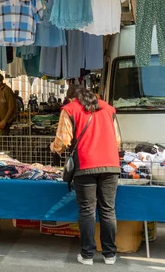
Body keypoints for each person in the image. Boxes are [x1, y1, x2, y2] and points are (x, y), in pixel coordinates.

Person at [50, 85, 121, 266]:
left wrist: (54, 147)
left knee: (87, 210)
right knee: (108, 209)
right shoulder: (108, 109)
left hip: (86, 165)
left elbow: (64, 141)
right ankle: (110, 255)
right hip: (111, 165)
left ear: (72, 98)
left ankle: (87, 255)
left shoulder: (70, 110)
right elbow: (118, 140)